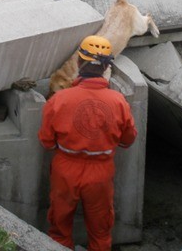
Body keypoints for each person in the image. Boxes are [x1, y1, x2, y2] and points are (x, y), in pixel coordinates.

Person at [38, 35, 138, 251]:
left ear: (78, 62)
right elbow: (128, 139)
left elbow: (46, 141)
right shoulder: (118, 101)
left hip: (66, 169)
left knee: (59, 228)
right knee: (100, 231)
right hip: (101, 172)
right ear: (105, 67)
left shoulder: (59, 99)